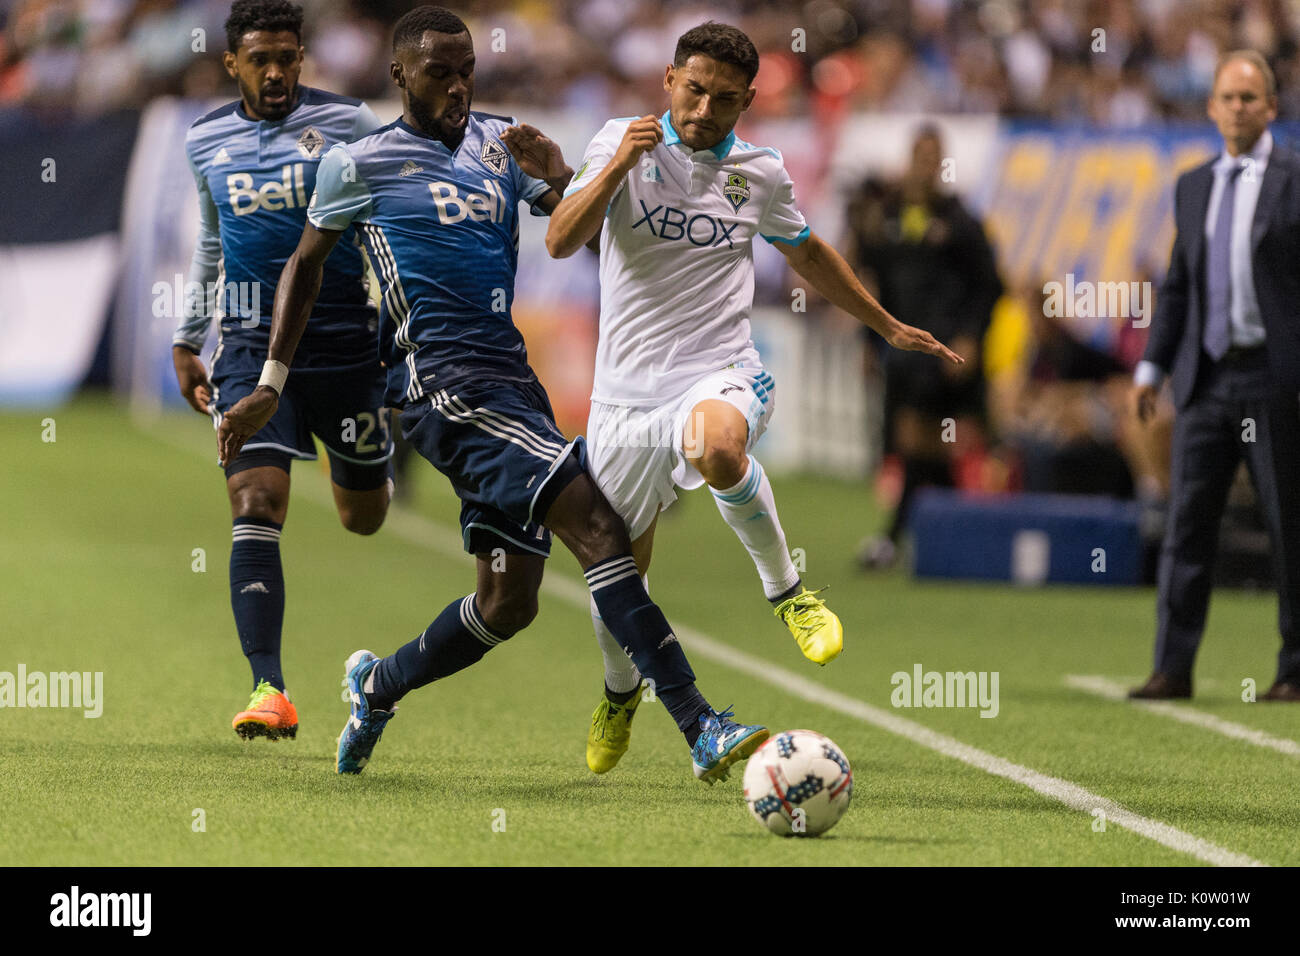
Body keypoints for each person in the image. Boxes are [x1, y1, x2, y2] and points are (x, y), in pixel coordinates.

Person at [216, 5, 769, 783]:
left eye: (467, 71)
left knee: (509, 602)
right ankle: (700, 724)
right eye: (439, 73)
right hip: (440, 386)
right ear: (400, 75)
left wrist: (559, 175)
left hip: (513, 382)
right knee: (601, 528)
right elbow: (304, 267)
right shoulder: (359, 162)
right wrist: (271, 381)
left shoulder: (500, 143)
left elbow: (586, 231)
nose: (458, 87)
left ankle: (378, 685)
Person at [546, 22, 961, 774]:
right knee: (618, 576)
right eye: (695, 90)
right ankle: (618, 692)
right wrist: (615, 171)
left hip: (718, 368)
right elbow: (560, 240)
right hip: (624, 399)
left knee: (717, 446)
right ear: (670, 79)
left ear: (749, 102)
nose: (705, 110)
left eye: (725, 99)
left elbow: (806, 251)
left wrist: (887, 324)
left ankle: (790, 594)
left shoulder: (759, 171)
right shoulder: (618, 140)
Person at [173, 0, 392, 742]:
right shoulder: (205, 138)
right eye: (260, 59)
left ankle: (367, 463)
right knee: (256, 502)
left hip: (344, 348)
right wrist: (185, 336)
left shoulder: (353, 124)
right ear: (231, 61)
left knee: (364, 518)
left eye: (288, 58)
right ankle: (270, 686)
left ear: (302, 58)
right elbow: (212, 240)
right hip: (244, 345)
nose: (275, 72)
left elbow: (389, 221)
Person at [1130, 50, 1300, 702]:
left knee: (1288, 526)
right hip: (1205, 380)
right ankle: (1171, 667)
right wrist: (1152, 367)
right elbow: (1178, 287)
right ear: (1211, 106)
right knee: (1187, 525)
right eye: (1227, 98)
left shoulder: (1292, 178)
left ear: (1271, 107)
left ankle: (1294, 667)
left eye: (1249, 98)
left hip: (1272, 377)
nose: (1237, 108)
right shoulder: (1194, 184)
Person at [846, 125, 1001, 568]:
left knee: (932, 437)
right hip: (903, 351)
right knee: (916, 442)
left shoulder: (961, 221)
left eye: (934, 158)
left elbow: (990, 286)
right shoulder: (887, 220)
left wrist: (971, 335)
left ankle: (900, 536)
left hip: (949, 350)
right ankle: (943, 537)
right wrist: (867, 341)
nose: (926, 166)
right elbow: (867, 289)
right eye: (920, 155)